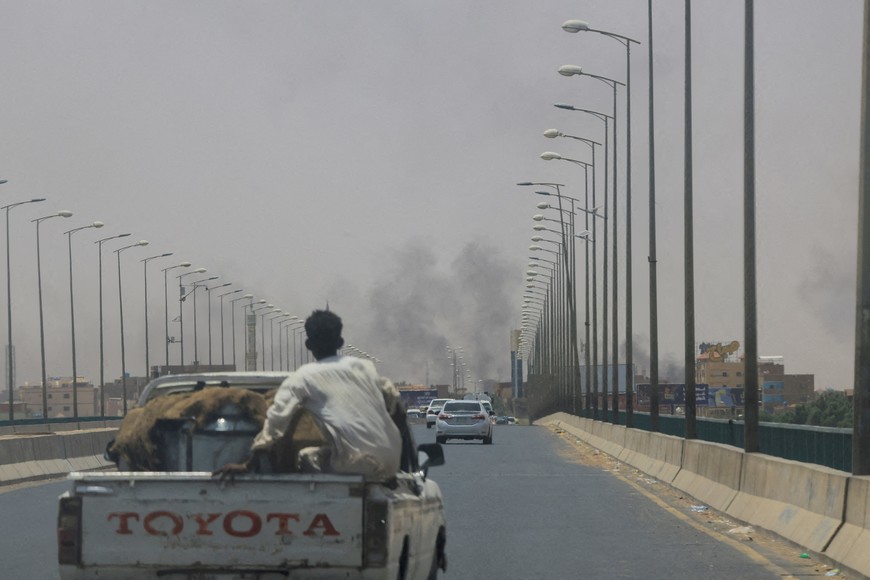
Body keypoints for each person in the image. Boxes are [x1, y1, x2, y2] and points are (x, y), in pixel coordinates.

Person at [215, 309, 403, 481]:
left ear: (308, 344)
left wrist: (248, 464)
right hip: (394, 461)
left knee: (306, 457)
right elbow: (395, 400)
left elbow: (276, 420)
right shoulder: (365, 367)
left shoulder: (303, 377)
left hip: (354, 464)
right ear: (340, 343)